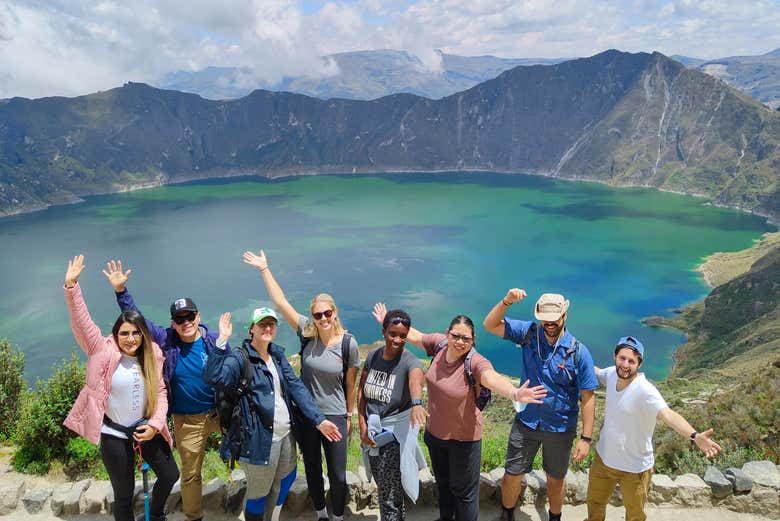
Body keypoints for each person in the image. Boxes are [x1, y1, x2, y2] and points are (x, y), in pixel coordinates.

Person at [372, 303, 547, 521]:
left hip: (464, 440)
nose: (460, 342)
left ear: (473, 341)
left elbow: (489, 377)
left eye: (467, 339)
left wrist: (514, 393)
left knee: (464, 494)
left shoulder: (474, 361)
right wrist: (387, 322)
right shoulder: (439, 344)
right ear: (448, 333)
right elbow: (414, 336)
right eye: (456, 336)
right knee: (444, 487)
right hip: (436, 436)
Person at [104, 259, 230, 521]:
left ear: (198, 317)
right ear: (173, 323)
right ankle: (194, 517)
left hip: (220, 414)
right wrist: (121, 292)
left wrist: (224, 344)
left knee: (252, 443)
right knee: (191, 472)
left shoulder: (214, 340)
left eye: (190, 316)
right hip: (188, 420)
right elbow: (139, 323)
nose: (186, 322)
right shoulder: (166, 340)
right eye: (179, 319)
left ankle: (256, 499)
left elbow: (230, 373)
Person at [243, 250, 360, 521]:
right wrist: (264, 268)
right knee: (313, 469)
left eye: (327, 313)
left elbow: (351, 384)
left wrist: (349, 414)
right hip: (307, 415)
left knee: (338, 474)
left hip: (335, 415)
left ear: (335, 313)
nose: (322, 319)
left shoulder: (348, 344)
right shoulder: (307, 332)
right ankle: (321, 514)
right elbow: (281, 302)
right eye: (317, 315)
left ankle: (338, 516)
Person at [62, 255, 179, 521]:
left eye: (136, 333)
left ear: (143, 334)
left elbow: (160, 393)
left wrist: (155, 425)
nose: (130, 338)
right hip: (114, 434)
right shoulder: (100, 350)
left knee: (171, 474)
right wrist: (72, 287)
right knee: (123, 495)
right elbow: (82, 320)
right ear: (115, 334)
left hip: (146, 429)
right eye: (124, 333)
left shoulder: (153, 355)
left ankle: (157, 514)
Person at [203, 308, 342, 521]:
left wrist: (319, 419)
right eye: (262, 324)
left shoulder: (276, 355)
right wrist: (221, 341)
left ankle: (272, 516)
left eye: (271, 324)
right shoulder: (240, 358)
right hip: (258, 439)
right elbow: (214, 377)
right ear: (252, 329)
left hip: (286, 434)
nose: (268, 328)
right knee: (258, 494)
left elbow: (296, 386)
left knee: (288, 478)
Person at [483, 290, 598, 521]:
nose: (549, 323)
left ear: (565, 315)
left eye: (554, 318)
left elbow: (588, 397)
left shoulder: (578, 352)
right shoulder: (528, 334)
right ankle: (508, 514)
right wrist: (506, 301)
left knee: (556, 478)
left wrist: (585, 439)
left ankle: (555, 517)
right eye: (545, 318)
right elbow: (490, 325)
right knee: (512, 474)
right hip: (527, 421)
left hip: (560, 427)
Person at [586, 336, 722, 521]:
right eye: (622, 358)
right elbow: (596, 372)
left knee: (635, 516)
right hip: (603, 460)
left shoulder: (645, 390)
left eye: (631, 361)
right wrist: (575, 358)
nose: (625, 365)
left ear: (639, 364)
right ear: (615, 356)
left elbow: (668, 415)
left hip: (635, 469)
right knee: (594, 507)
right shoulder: (611, 374)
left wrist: (695, 436)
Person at [358, 308, 428, 521]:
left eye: (403, 336)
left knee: (388, 494)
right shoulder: (373, 356)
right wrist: (362, 425)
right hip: (372, 434)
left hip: (393, 438)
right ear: (384, 332)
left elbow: (416, 381)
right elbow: (362, 392)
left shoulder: (410, 362)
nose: (398, 340)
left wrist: (417, 403)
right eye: (393, 334)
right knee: (387, 489)